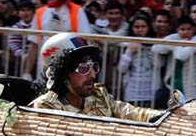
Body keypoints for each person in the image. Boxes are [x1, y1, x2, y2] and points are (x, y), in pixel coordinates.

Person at [30, 32, 164, 121]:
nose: (93, 74)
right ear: (63, 74)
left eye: (94, 67)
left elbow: (132, 112)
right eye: (83, 68)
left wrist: (163, 115)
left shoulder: (99, 95)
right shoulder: (46, 107)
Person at [118, 14, 156, 106]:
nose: (140, 30)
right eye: (137, 27)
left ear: (149, 27)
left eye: (143, 26)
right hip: (131, 92)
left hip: (149, 92)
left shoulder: (155, 45)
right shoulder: (127, 45)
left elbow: (158, 64)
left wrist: (147, 48)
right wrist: (129, 52)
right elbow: (121, 69)